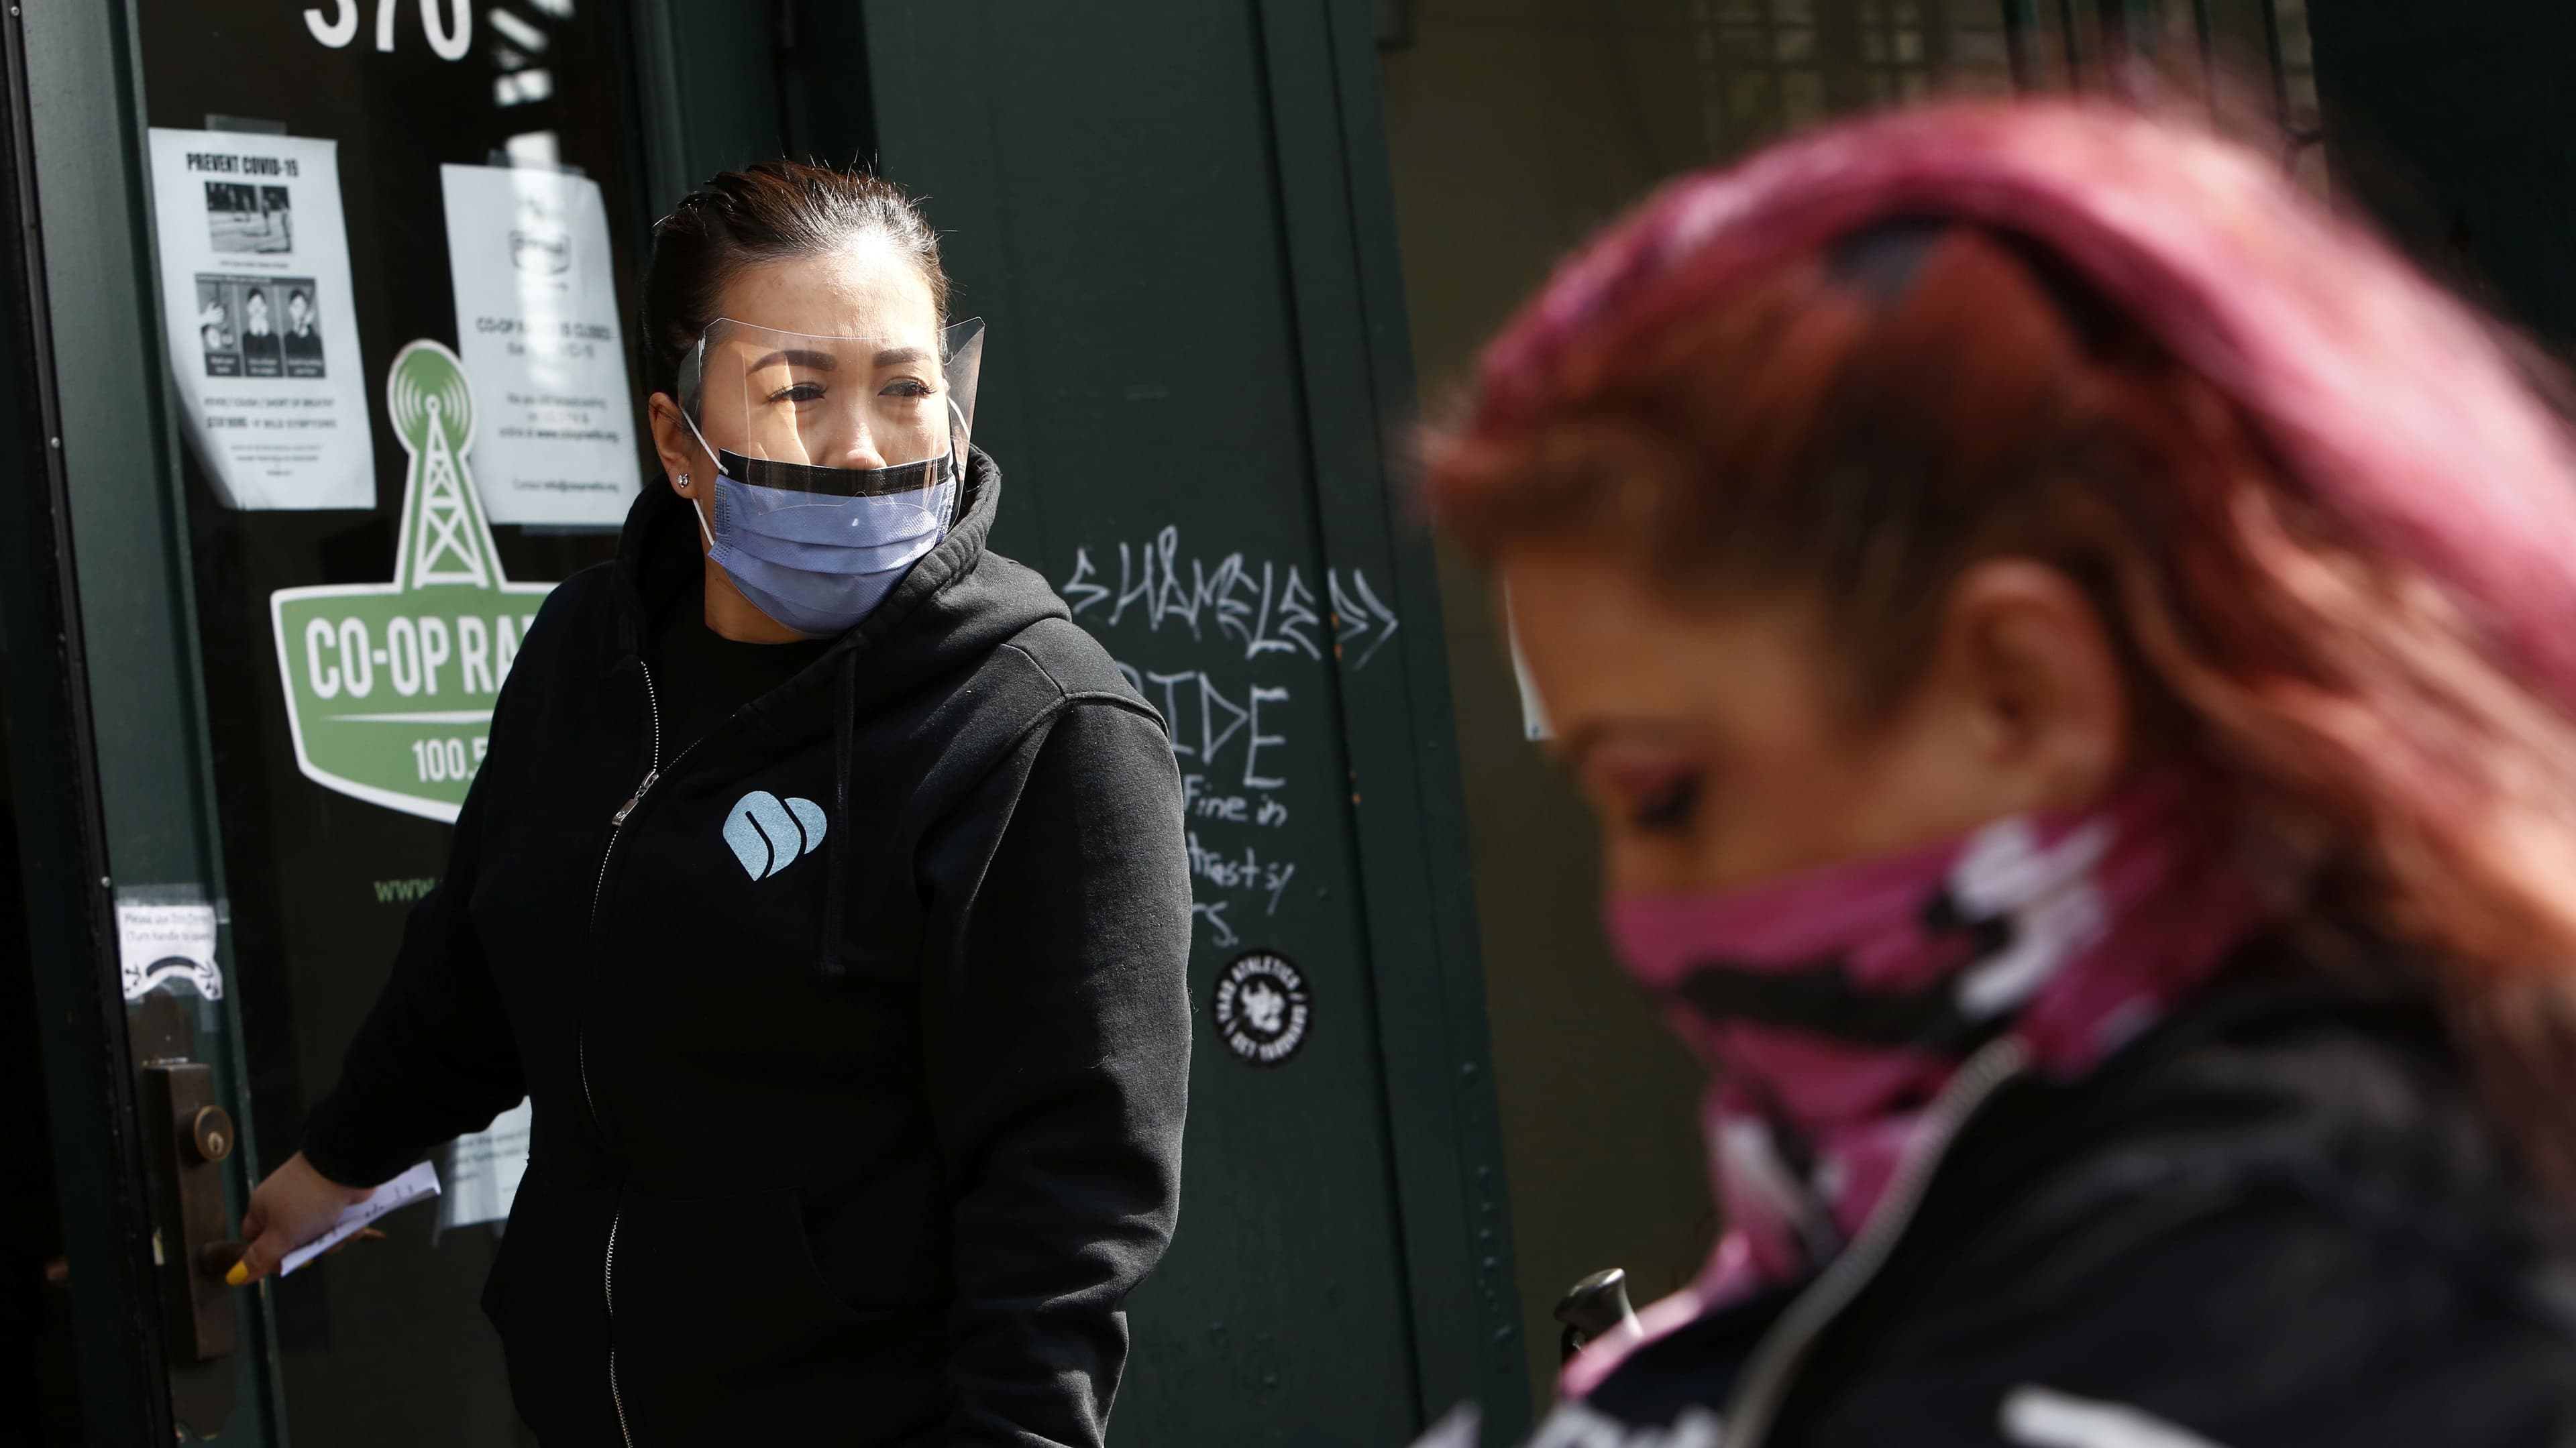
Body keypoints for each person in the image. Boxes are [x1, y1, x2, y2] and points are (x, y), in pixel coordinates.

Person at [1421, 101, 2576, 1447]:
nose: (1637, 907)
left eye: (1666, 794)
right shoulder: (2023, 1206)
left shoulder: (2297, 1289)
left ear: (2021, 692)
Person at [231, 160, 1193, 1447]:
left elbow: (1066, 1216)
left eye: (906, 388)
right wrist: (338, 1159)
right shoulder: (588, 651)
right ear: (677, 439)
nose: (863, 447)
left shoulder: (1042, 727)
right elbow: (477, 961)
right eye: (799, 390)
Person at [237, 286, 282, 376]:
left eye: (260, 304)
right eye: (253, 304)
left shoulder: (276, 339)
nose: (257, 308)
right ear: (248, 308)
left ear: (266, 307)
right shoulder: (243, 339)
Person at [282, 286, 323, 370]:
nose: (300, 311)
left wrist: (308, 325)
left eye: (302, 306)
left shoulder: (317, 340)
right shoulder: (284, 341)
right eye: (296, 306)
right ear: (290, 310)